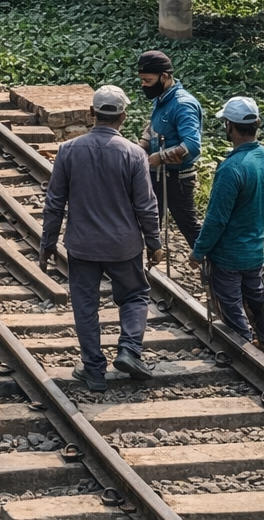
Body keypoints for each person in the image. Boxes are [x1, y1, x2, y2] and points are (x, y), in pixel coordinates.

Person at [39, 85, 164, 391]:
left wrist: (47, 244)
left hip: (82, 246)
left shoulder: (68, 151)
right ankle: (129, 350)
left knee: (85, 304)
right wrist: (154, 243)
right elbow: (146, 205)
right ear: (123, 116)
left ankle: (94, 370)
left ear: (92, 113)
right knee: (135, 295)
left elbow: (54, 203)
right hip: (124, 245)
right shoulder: (135, 155)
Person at [193, 96, 264, 353]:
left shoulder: (231, 169)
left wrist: (199, 251)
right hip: (255, 250)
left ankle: (243, 346)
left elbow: (217, 218)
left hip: (228, 254)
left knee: (230, 301)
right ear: (256, 124)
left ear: (229, 126)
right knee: (257, 296)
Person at [136, 50, 202, 250]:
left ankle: (213, 267)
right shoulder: (161, 98)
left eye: (148, 81)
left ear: (164, 77)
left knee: (188, 225)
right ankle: (146, 266)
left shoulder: (183, 105)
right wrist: (141, 146)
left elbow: (192, 145)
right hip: (158, 176)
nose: (144, 85)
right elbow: (154, 127)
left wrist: (160, 158)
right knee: (150, 220)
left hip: (177, 178)